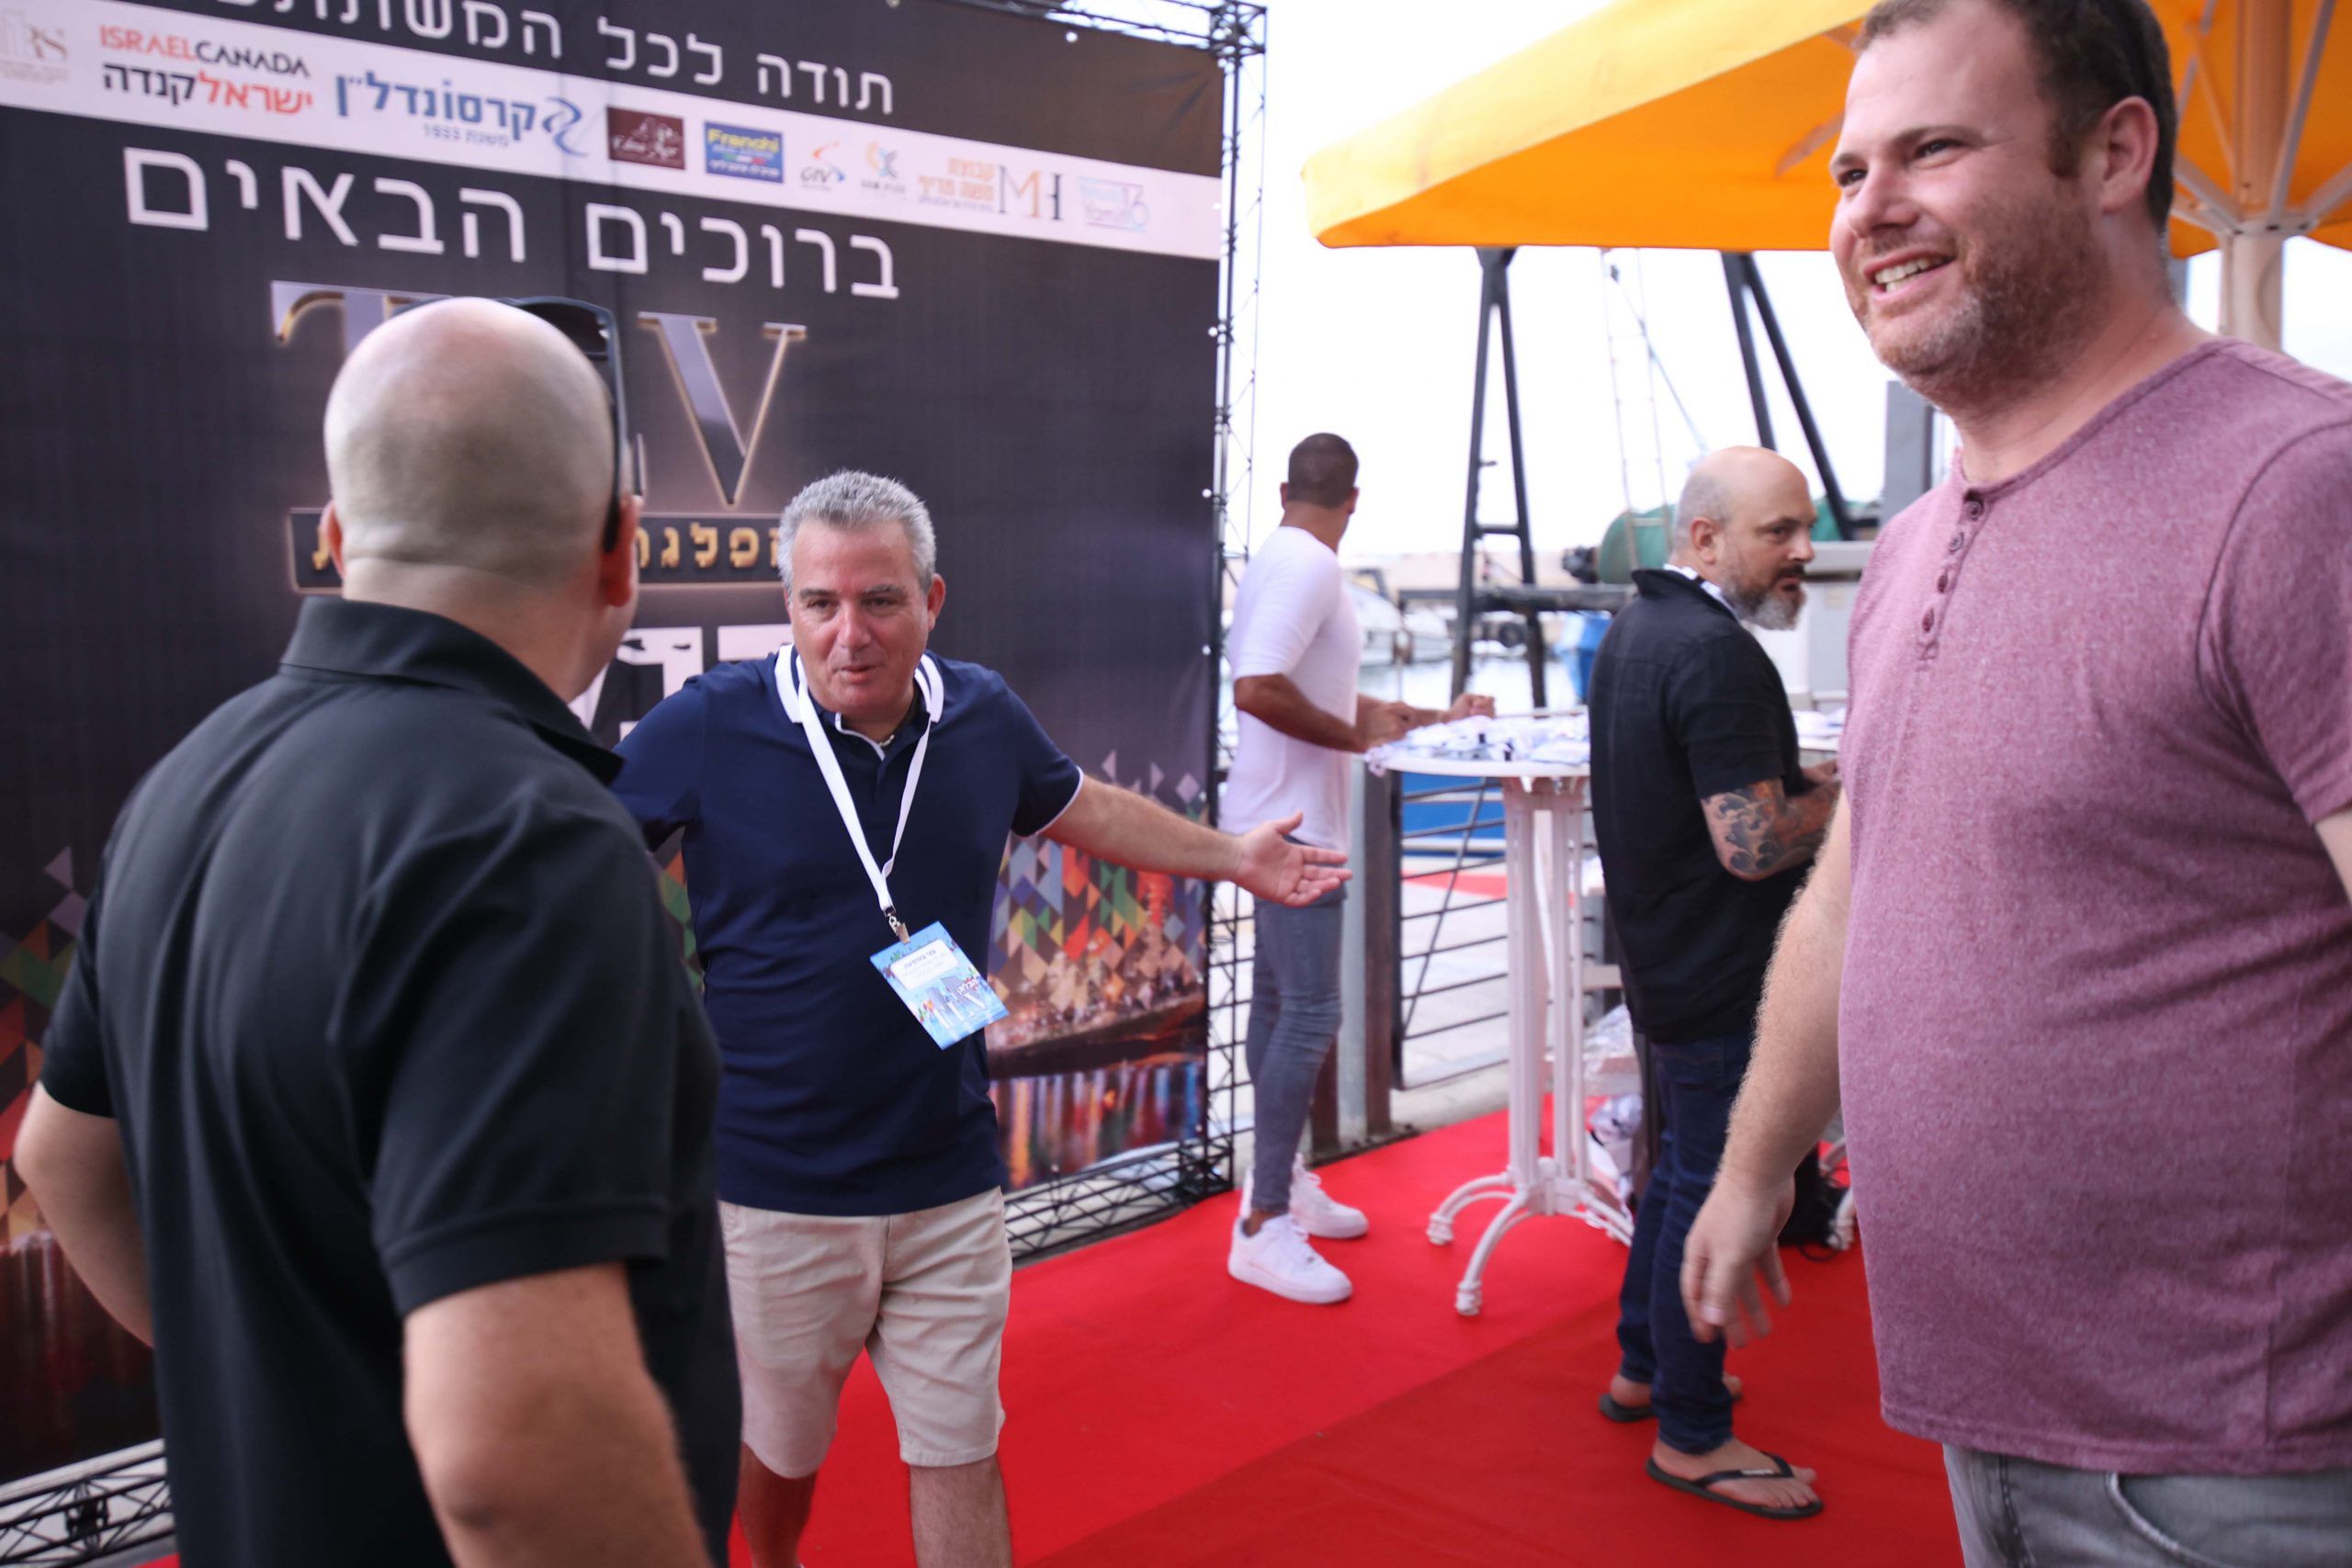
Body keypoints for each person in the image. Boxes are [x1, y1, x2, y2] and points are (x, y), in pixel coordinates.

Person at [1680, 1, 2352, 1560]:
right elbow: (1855, 889)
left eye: (1931, 149)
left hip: (2245, 1461)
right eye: (1848, 171)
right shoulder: (1916, 537)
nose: (1870, 210)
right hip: (1984, 1422)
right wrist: (1755, 1164)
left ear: (2113, 154)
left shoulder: (2295, 488)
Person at [14, 298, 739, 1565]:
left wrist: (293, 1378)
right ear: (623, 549)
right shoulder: (531, 836)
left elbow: (63, 1156)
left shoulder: (189, 779)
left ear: (337, 540)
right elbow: (522, 1453)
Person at [610, 469, 1348, 1568]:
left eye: (880, 600)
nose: (849, 634)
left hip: (947, 1173)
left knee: (960, 1446)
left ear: (932, 600)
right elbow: (586, 849)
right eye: (820, 603)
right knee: (779, 1452)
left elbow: (1087, 809)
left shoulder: (982, 713)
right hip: (774, 1189)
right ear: (788, 607)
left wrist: (1233, 857)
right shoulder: (713, 723)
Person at [1585, 447, 1838, 1520]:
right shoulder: (1717, 654)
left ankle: (1644, 1367)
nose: (1803, 551)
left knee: (1680, 1173)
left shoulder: (1638, 629)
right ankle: (1692, 1434)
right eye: (1778, 531)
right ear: (1703, 538)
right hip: (1724, 975)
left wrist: (1804, 787)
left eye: (1802, 528)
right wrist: (1859, 792)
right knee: (1717, 1185)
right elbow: (1752, 842)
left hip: (1665, 962)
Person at [1222, 433, 1492, 1304]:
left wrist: (1432, 718)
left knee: (1279, 1007)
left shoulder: (1278, 558)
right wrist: (1349, 738)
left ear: (1283, 490)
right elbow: (1257, 687)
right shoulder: (1310, 566)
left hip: (1274, 817)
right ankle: (1263, 1219)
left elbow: (1322, 693)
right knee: (1310, 1012)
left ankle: (1281, 1181)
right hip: (1296, 828)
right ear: (1355, 499)